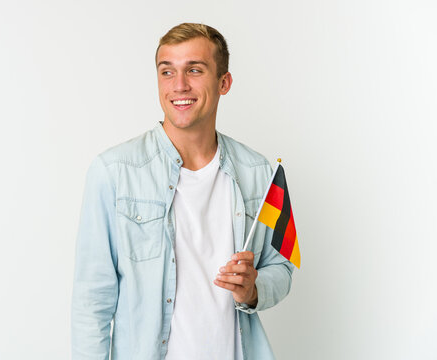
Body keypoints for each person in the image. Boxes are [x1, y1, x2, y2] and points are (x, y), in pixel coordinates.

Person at [72, 22, 294, 360]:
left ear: (224, 82)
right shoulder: (114, 172)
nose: (179, 85)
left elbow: (281, 267)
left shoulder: (261, 173)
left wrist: (253, 290)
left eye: (194, 69)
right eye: (167, 71)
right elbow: (92, 300)